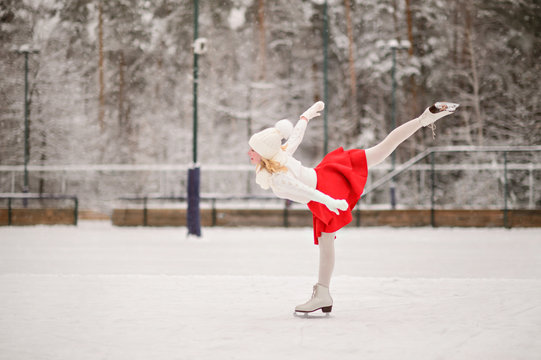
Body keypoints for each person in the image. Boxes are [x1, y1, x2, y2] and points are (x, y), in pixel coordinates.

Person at [247, 101, 458, 314]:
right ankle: (424, 118)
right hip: (327, 177)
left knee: (380, 151)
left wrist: (333, 202)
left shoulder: (278, 177)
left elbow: (308, 192)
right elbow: (295, 138)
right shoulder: (280, 157)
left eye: (253, 150)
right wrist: (305, 117)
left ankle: (322, 293)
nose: (249, 153)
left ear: (264, 153)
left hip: (326, 190)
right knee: (380, 150)